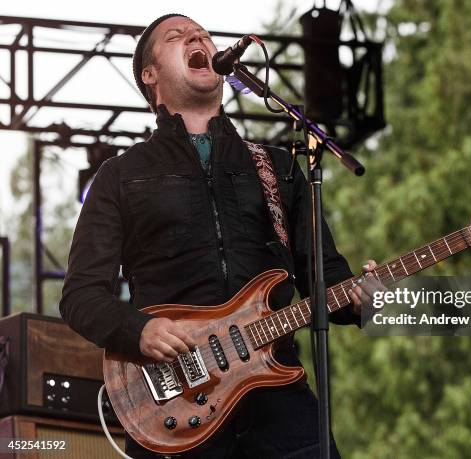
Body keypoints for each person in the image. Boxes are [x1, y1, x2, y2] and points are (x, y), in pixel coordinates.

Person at [60, 14, 380, 458]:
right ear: (149, 76)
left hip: (281, 406)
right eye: (176, 37)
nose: (197, 37)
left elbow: (326, 278)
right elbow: (80, 296)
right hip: (174, 403)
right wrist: (139, 330)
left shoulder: (279, 167)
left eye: (203, 35)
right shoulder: (121, 176)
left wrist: (365, 298)